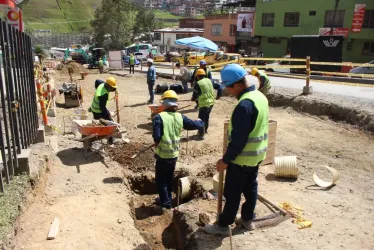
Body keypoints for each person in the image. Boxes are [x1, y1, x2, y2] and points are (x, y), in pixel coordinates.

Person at [204, 64, 269, 236]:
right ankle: (247, 219)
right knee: (251, 188)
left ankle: (223, 226)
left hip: (241, 159)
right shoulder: (260, 97)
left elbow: (239, 140)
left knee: (232, 193)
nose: (228, 91)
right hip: (256, 156)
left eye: (229, 87)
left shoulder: (244, 106)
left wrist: (225, 160)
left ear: (238, 85)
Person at [153, 90, 204, 212]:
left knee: (161, 180)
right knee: (169, 178)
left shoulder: (159, 118)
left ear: (164, 103)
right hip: (174, 155)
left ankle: (165, 205)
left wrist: (156, 141)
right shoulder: (180, 117)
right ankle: (167, 199)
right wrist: (200, 122)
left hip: (162, 155)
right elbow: (193, 124)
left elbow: (157, 137)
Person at [192, 69, 222, 138]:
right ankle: (205, 130)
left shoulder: (198, 84)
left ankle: (201, 134)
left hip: (204, 104)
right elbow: (220, 86)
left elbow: (195, 95)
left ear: (198, 76)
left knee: (201, 119)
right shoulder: (210, 80)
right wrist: (218, 95)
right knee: (206, 117)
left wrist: (193, 99)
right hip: (211, 103)